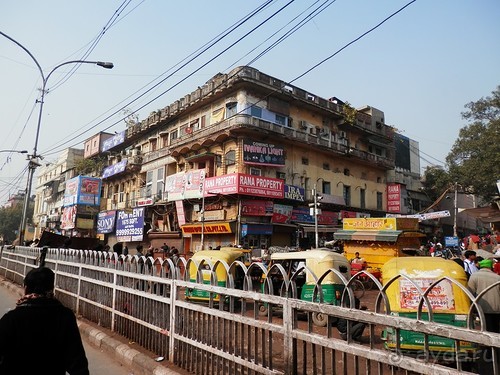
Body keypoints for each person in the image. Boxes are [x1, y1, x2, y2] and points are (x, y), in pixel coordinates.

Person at [0, 267, 89, 374]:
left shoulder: (11, 319)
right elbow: (77, 362)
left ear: (26, 288)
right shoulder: (65, 316)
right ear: (51, 289)